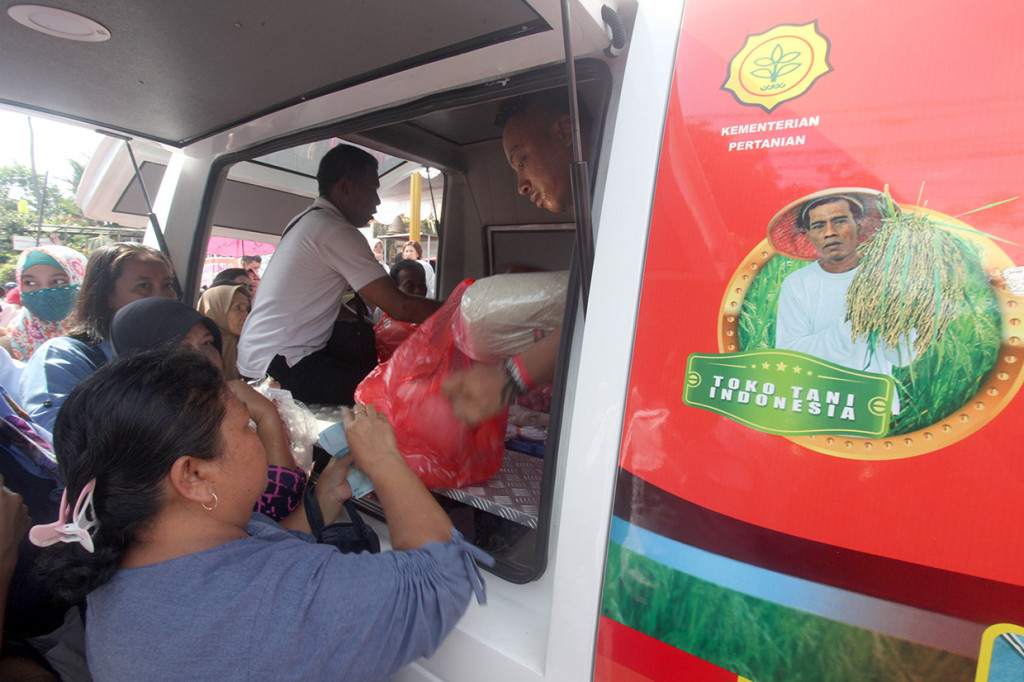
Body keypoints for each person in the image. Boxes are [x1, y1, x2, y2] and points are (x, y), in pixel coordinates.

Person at [31, 349, 490, 680]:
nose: (265, 433)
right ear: (192, 477)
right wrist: (387, 461)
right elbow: (439, 580)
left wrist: (323, 500)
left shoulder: (125, 556)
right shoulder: (270, 608)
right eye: (247, 426)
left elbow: (248, 553)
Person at [237, 144, 441, 404]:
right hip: (282, 363)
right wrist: (461, 309)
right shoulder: (335, 230)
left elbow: (316, 301)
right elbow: (399, 305)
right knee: (381, 397)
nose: (377, 202)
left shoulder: (304, 220)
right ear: (345, 187)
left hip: (256, 356)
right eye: (372, 190)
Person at [441, 90, 588, 425]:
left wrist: (510, 378)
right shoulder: (598, 210)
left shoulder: (637, 190)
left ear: (565, 131)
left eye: (521, 161)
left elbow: (619, 305)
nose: (521, 185)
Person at [111, 297, 308, 520]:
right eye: (184, 349)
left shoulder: (207, 413)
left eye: (207, 343)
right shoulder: (157, 436)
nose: (204, 359)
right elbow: (275, 511)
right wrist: (267, 417)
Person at [774, 194, 912, 413]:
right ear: (808, 235)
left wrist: (910, 308)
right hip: (816, 405)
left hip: (873, 406)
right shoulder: (798, 284)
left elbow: (902, 356)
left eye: (839, 221)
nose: (830, 232)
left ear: (859, 225)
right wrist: (855, 321)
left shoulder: (885, 278)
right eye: (818, 226)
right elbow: (790, 356)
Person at [19, 243, 177, 432]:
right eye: (144, 286)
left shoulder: (175, 352)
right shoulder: (63, 358)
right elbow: (59, 440)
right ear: (106, 296)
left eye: (167, 285)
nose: (163, 296)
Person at [1, 245, 88, 361]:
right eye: (30, 283)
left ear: (82, 281)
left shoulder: (108, 339)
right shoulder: (8, 348)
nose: (44, 290)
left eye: (58, 281)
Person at [197, 284, 249, 380]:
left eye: (246, 309)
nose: (246, 316)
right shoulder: (198, 354)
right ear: (216, 310)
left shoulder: (245, 347)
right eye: (238, 308)